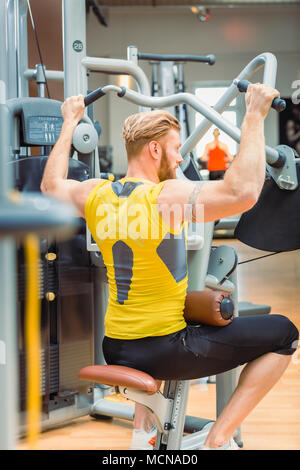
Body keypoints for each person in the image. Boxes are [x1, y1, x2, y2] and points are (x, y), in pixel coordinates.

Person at [41, 84, 299, 450]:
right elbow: (243, 193)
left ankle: (144, 439)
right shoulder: (165, 197)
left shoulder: (97, 194)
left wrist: (69, 122)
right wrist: (254, 115)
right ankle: (218, 440)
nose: (180, 160)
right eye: (177, 150)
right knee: (285, 333)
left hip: (115, 346)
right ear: (155, 149)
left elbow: (50, 185)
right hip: (164, 348)